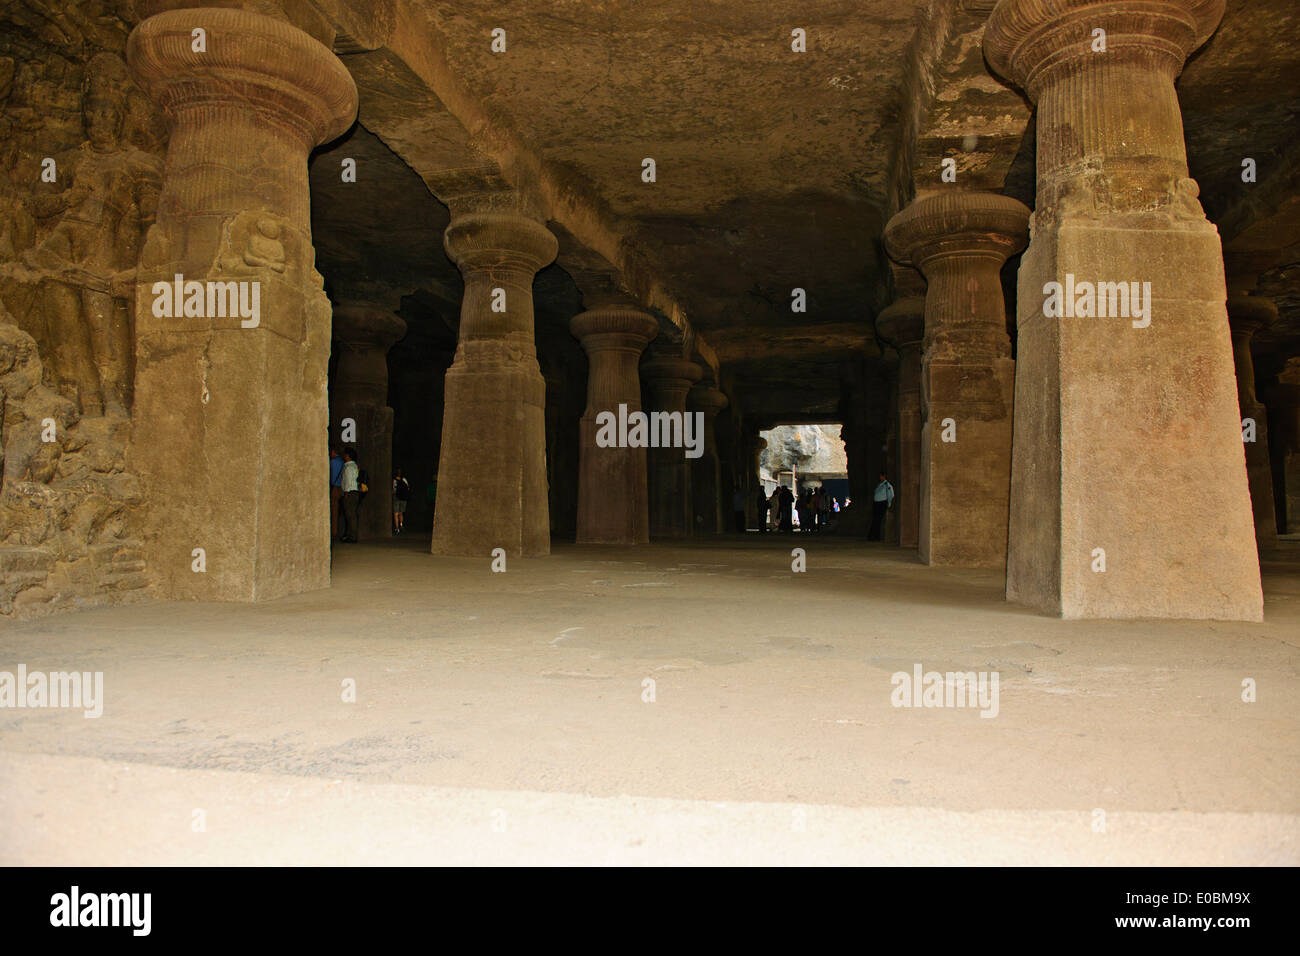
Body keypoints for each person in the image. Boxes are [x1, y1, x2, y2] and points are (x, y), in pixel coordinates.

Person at [339, 447, 360, 543]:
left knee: (349, 515)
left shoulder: (348, 467)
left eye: (345, 454)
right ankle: (351, 535)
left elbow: (347, 481)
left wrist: (346, 493)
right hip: (355, 492)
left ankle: (352, 536)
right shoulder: (355, 466)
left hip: (350, 492)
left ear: (348, 456)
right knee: (353, 515)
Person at [869, 470, 894, 541]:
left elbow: (891, 495)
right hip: (877, 504)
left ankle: (876, 537)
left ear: (884, 476)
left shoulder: (887, 485)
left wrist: (888, 503)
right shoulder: (880, 484)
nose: (880, 477)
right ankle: (873, 536)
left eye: (881, 476)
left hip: (882, 503)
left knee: (878, 520)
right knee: (875, 520)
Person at [328, 446, 343, 541]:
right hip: (341, 488)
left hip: (334, 488)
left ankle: (333, 532)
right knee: (339, 511)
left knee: (333, 510)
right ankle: (337, 531)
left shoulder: (332, 462)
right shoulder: (342, 461)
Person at [393, 468, 410, 535]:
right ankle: (401, 525)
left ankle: (397, 528)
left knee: (396, 513)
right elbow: (408, 488)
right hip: (403, 498)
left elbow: (394, 489)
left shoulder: (394, 480)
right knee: (401, 512)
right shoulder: (404, 480)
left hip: (396, 497)